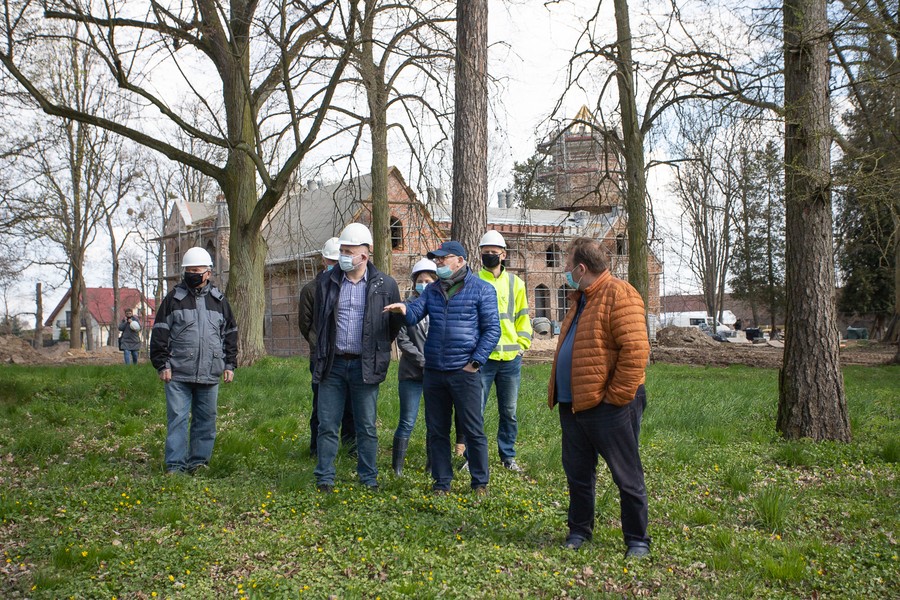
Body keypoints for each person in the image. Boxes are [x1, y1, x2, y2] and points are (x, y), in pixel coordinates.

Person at [548, 237, 651, 558]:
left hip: (609, 405)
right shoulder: (582, 297)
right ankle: (579, 530)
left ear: (581, 268)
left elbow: (636, 351)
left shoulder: (620, 294)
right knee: (578, 472)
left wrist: (616, 397)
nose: (564, 269)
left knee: (626, 474)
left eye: (567, 265)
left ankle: (637, 540)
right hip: (574, 404)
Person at [384, 240, 500, 495]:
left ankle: (480, 483)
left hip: (464, 371)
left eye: (442, 259)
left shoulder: (482, 290)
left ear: (460, 261)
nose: (438, 263)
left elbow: (492, 330)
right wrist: (404, 308)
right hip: (434, 371)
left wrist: (476, 362)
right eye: (436, 259)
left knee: (473, 429)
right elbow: (415, 313)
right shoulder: (433, 290)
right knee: (436, 430)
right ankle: (441, 482)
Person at [312, 223, 403, 492]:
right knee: (327, 424)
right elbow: (319, 321)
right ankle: (325, 478)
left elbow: (392, 326)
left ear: (364, 256)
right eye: (341, 250)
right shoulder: (327, 281)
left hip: (365, 364)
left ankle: (368, 478)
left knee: (366, 426)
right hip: (333, 364)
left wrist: (375, 350)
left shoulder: (385, 285)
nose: (342, 256)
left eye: (348, 251)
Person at [150, 246, 237, 475]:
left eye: (196, 270)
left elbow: (230, 333)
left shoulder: (220, 301)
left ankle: (198, 463)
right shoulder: (173, 299)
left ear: (208, 272)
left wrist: (230, 364)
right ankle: (175, 467)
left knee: (206, 421)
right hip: (177, 372)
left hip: (210, 372)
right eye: (188, 270)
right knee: (178, 420)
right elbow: (160, 331)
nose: (192, 274)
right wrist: (162, 364)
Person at [476, 230, 532, 472]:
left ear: (503, 255)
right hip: (482, 359)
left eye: (493, 253)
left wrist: (522, 346)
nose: (489, 256)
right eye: (485, 252)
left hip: (510, 359)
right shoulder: (472, 281)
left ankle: (507, 456)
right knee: (474, 411)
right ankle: (473, 457)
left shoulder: (516, 283)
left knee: (508, 412)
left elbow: (523, 317)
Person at [298, 237, 356, 458]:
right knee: (321, 406)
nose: (334, 264)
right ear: (323, 260)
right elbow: (305, 324)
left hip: (347, 355)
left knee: (350, 407)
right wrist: (318, 346)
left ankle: (351, 449)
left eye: (337, 260)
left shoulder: (350, 287)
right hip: (321, 357)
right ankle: (317, 450)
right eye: (330, 260)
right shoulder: (311, 290)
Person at [392, 258, 437, 476]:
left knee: (433, 422)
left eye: (428, 280)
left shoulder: (441, 306)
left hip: (435, 377)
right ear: (414, 282)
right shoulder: (405, 307)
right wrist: (423, 361)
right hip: (411, 374)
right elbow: (403, 340)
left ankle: (431, 466)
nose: (424, 284)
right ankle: (397, 468)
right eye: (420, 280)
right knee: (407, 421)